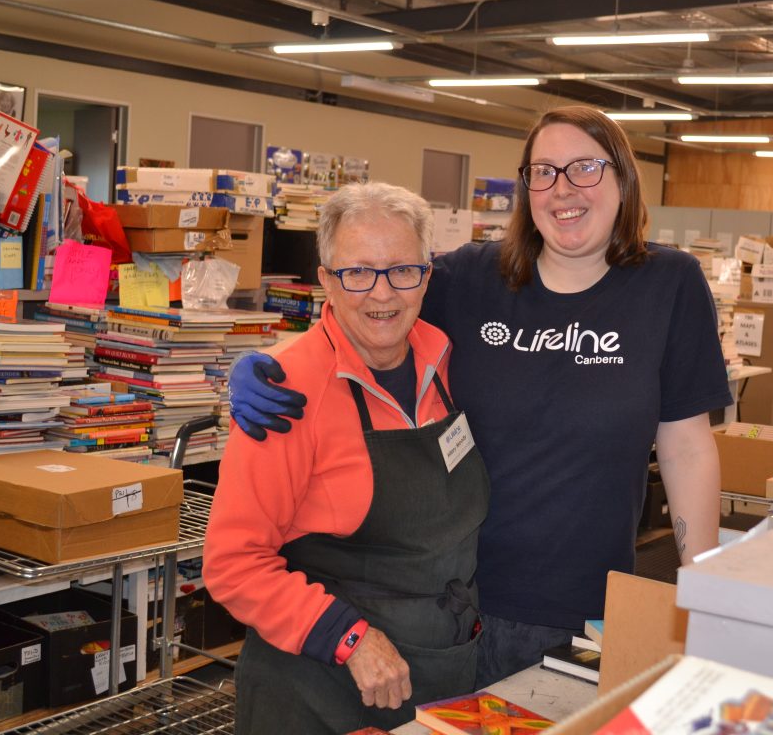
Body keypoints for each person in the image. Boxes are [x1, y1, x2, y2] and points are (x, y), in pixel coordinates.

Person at [230, 106, 732, 686]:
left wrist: (704, 592)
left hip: (587, 608)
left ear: (622, 178)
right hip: (449, 611)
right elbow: (371, 296)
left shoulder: (669, 285)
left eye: (585, 169)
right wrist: (268, 363)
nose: (562, 189)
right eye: (543, 171)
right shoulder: (472, 279)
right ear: (526, 188)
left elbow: (687, 446)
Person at [203, 182, 489, 734]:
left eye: (403, 270)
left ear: (427, 276)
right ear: (325, 281)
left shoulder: (448, 360)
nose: (382, 294)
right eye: (357, 272)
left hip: (436, 672)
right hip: (317, 689)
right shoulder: (287, 391)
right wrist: (348, 638)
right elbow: (232, 562)